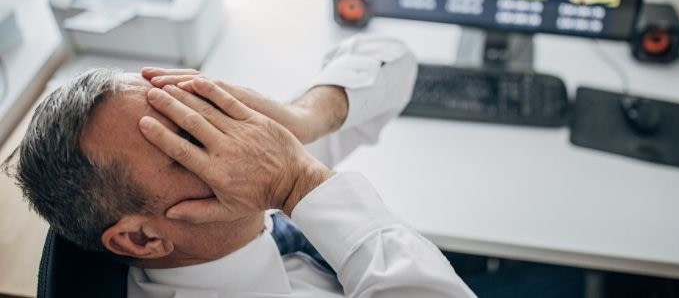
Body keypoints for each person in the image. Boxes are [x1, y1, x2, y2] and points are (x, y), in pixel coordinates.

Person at [4, 34, 474, 297]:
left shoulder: (232, 186)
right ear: (143, 238)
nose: (223, 127)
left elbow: (392, 58)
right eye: (183, 140)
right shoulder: (258, 181)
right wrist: (298, 180)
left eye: (187, 105)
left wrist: (302, 120)